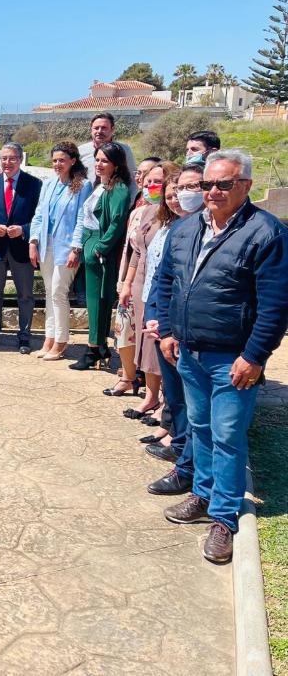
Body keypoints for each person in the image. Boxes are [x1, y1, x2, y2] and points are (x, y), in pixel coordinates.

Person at [157, 150, 288, 563]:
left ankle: (224, 517)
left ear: (245, 186)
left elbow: (276, 305)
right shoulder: (185, 229)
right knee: (200, 426)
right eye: (206, 185)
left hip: (233, 358)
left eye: (223, 184)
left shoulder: (266, 234)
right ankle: (202, 493)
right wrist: (166, 331)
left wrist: (254, 355)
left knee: (228, 436)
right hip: (189, 352)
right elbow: (166, 281)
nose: (212, 192)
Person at [144, 164, 206, 495]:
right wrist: (157, 318)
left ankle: (189, 467)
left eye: (194, 186)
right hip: (166, 328)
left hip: (199, 335)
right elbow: (162, 279)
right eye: (179, 189)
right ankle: (181, 452)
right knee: (178, 397)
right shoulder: (177, 229)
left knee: (196, 406)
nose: (184, 194)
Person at [116, 162, 180, 420]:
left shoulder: (177, 219)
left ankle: (166, 403)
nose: (152, 186)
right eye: (148, 181)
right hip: (141, 284)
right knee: (145, 344)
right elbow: (136, 253)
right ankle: (151, 397)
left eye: (159, 182)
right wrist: (127, 284)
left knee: (158, 346)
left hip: (161, 288)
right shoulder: (145, 212)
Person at [0, 142, 42, 354]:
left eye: (12, 158)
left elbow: (41, 219)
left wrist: (23, 230)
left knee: (25, 296)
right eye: (4, 158)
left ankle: (24, 338)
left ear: (20, 160)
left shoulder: (34, 185)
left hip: (22, 250)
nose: (7, 162)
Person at [69, 142, 132, 370]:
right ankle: (100, 346)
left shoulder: (119, 189)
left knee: (97, 300)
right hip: (90, 241)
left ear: (116, 164)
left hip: (99, 245)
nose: (99, 164)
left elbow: (116, 222)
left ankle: (93, 348)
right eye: (97, 159)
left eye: (105, 161)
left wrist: (101, 247)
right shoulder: (101, 185)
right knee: (98, 300)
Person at [27, 142, 91, 360]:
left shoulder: (83, 185)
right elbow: (38, 214)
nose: (57, 164)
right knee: (49, 293)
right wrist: (33, 242)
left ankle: (61, 341)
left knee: (58, 292)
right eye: (54, 160)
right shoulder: (48, 184)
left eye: (62, 160)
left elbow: (82, 219)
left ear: (73, 161)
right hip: (47, 245)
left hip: (67, 248)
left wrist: (76, 248)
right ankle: (49, 339)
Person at [78, 113, 138, 198]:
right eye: (96, 128)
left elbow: (132, 179)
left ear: (112, 129)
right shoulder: (81, 151)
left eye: (104, 128)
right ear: (91, 130)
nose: (99, 131)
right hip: (86, 201)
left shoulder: (123, 150)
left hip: (114, 202)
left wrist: (130, 204)